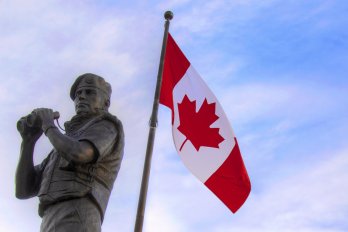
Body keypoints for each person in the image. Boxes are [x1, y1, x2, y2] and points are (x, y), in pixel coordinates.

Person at [15, 73, 124, 232]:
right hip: (50, 218)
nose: (81, 97)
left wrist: (48, 126)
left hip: (78, 213)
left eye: (89, 92)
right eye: (78, 94)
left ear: (106, 102)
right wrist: (28, 142)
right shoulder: (61, 147)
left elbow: (80, 154)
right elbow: (23, 190)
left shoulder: (107, 126)